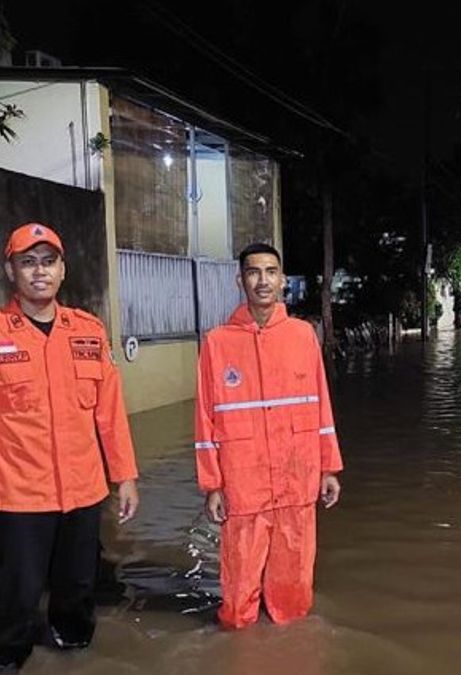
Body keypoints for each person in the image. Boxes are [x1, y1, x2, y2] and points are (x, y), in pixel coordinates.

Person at [0, 222, 139, 670]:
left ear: (62, 269)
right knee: (13, 595)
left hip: (83, 493)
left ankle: (73, 650)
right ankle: (5, 662)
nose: (39, 272)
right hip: (15, 498)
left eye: (48, 261)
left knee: (78, 588)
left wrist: (125, 476)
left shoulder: (89, 332)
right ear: (10, 271)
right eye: (27, 262)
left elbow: (109, 413)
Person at [194, 242, 344, 630]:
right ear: (240, 280)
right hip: (244, 484)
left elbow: (321, 407)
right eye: (254, 272)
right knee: (238, 599)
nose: (263, 281)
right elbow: (205, 423)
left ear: (282, 280)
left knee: (293, 596)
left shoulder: (302, 336)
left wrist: (328, 468)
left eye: (271, 272)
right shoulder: (217, 343)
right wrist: (213, 485)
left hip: (297, 480)